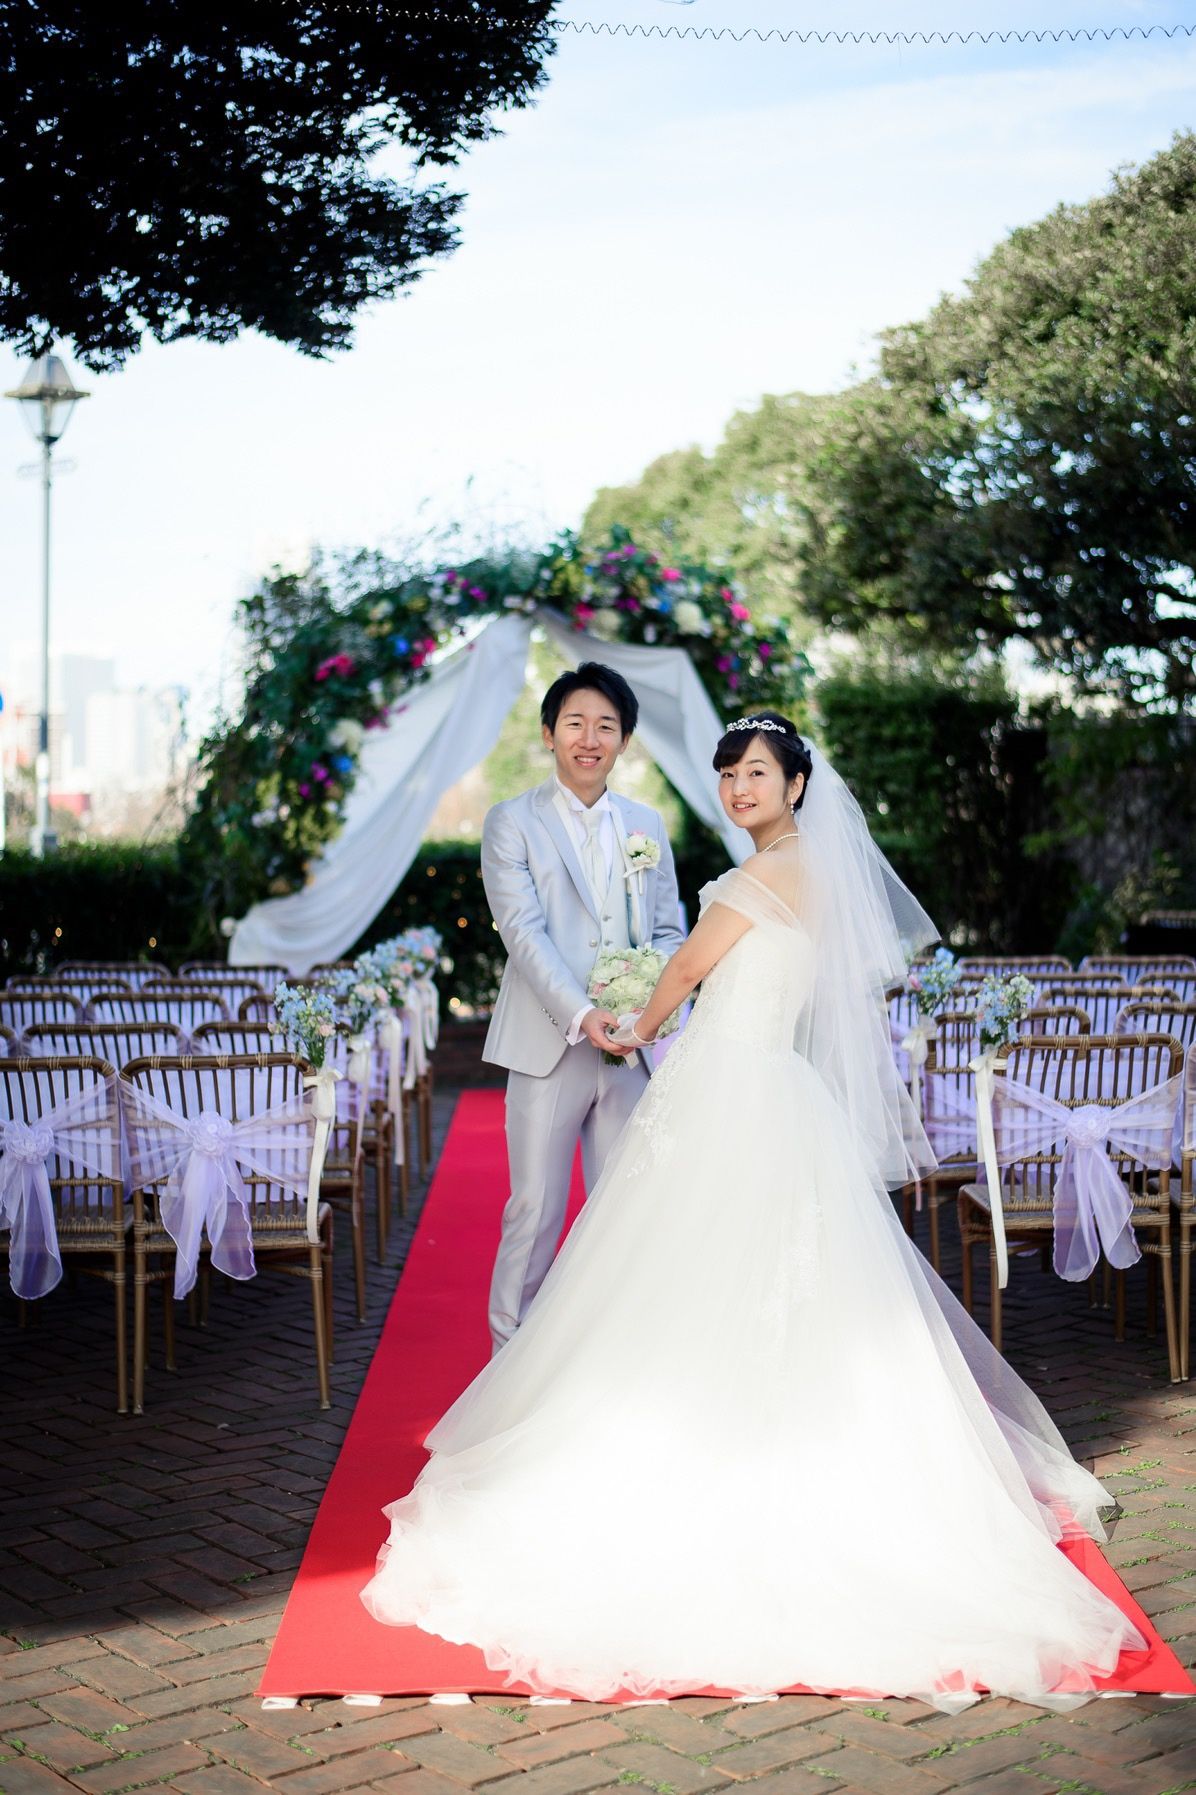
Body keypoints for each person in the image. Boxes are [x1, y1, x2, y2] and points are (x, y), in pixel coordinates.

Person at [361, 711, 1143, 1712]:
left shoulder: (756, 878)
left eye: (756, 773)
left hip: (727, 1086)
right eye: (728, 773)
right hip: (776, 1086)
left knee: (684, 1267)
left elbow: (688, 969)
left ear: (795, 785)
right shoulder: (816, 876)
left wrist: (631, 1026)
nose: (738, 787)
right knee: (778, 1277)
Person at [477, 661, 684, 1353]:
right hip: (548, 1043)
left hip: (630, 1048)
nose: (589, 738)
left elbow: (668, 930)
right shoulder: (511, 822)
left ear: (623, 739)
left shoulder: (646, 823)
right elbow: (523, 933)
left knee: (621, 1211)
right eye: (575, 723)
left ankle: (611, 1358)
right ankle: (508, 1361)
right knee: (534, 1209)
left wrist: (646, 1009)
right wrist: (581, 1013)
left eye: (605, 726)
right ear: (549, 733)